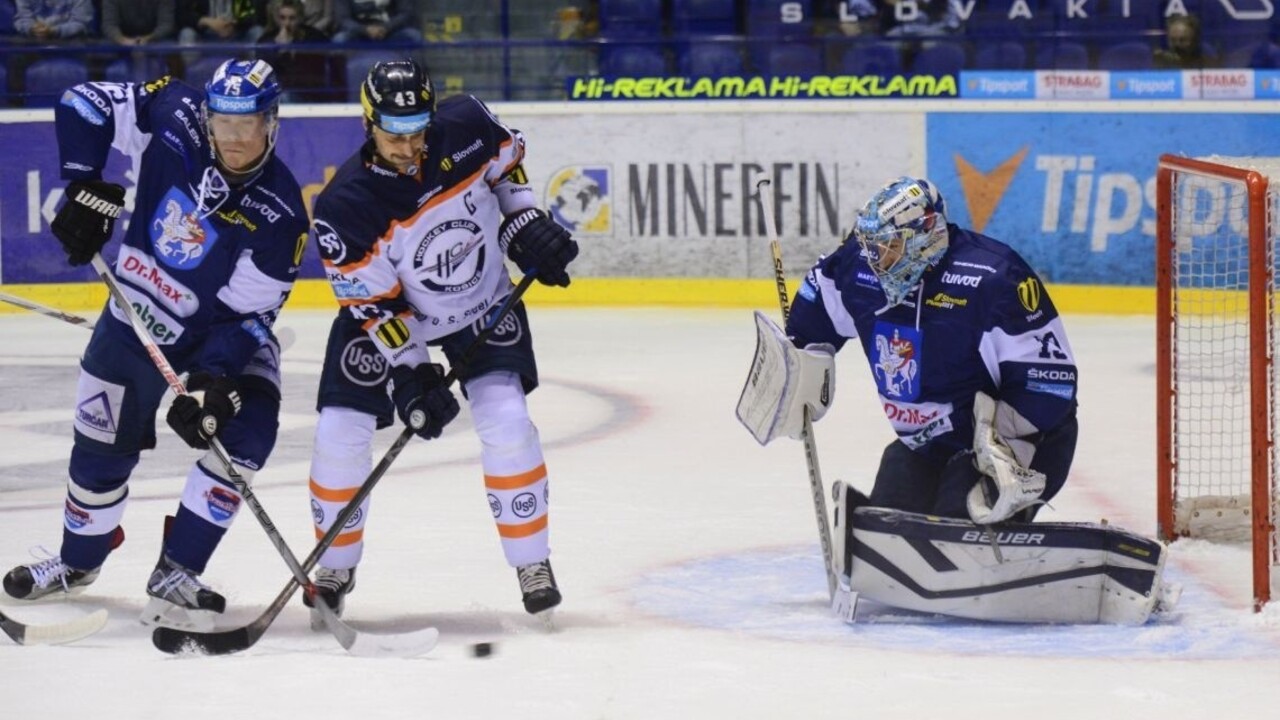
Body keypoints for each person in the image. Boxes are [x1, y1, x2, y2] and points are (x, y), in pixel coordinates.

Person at [2, 60, 310, 632]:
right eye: (224, 123)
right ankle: (77, 562)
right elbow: (82, 101)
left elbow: (246, 318)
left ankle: (178, 569)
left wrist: (213, 386)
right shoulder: (174, 113)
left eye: (249, 125)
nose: (235, 139)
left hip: (215, 339)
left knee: (244, 432)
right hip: (132, 320)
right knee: (97, 453)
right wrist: (84, 182)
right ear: (208, 116)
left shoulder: (282, 213)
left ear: (273, 123)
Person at [304, 59, 578, 623]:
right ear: (368, 124)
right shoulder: (345, 206)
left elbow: (507, 172)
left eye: (417, 132)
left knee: (506, 421)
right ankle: (334, 562)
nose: (408, 148)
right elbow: (373, 306)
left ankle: (532, 562)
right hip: (394, 319)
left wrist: (525, 225)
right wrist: (410, 371)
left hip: (481, 301)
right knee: (339, 431)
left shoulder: (470, 124)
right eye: (393, 136)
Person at [330, 0, 422, 44]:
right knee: (340, 39)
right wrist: (365, 30)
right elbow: (343, 19)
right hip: (358, 33)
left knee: (414, 36)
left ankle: (416, 78)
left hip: (391, 31)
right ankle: (338, 81)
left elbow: (406, 13)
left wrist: (385, 28)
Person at [100, 0, 175, 45]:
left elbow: (166, 24)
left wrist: (148, 38)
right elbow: (109, 25)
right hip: (122, 40)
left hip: (154, 40)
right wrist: (122, 40)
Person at [13, 0, 94, 41]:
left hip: (71, 43)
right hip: (32, 43)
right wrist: (32, 28)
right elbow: (22, 18)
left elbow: (81, 23)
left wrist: (55, 31)